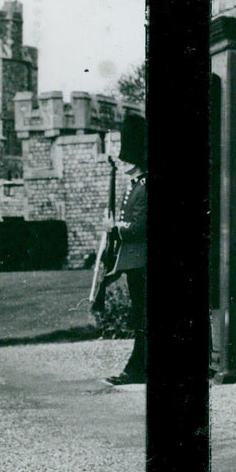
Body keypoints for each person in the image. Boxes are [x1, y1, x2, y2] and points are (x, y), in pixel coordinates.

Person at [106, 113, 147, 386]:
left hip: (142, 260)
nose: (124, 161)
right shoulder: (134, 186)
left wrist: (116, 227)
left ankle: (137, 368)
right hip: (133, 261)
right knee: (140, 315)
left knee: (143, 316)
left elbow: (141, 227)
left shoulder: (145, 186)